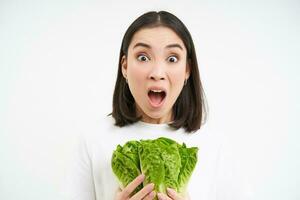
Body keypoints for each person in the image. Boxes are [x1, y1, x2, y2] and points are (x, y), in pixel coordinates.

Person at [63, 11, 251, 200]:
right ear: (125, 66)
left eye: (172, 59)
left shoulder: (215, 145)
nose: (157, 72)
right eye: (143, 57)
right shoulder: (93, 140)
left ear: (187, 70)